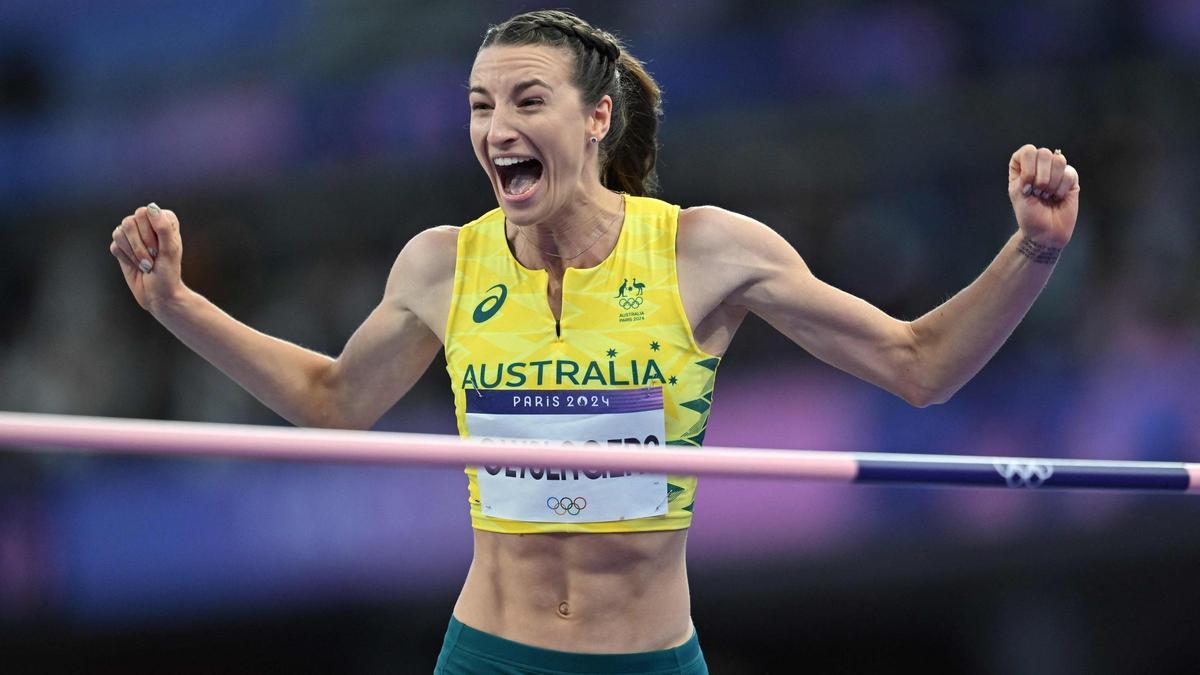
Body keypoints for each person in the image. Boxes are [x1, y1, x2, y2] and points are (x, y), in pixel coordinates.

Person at [107, 9, 1080, 674]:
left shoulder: (705, 252)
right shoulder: (443, 265)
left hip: (647, 659)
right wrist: (178, 305)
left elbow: (921, 366)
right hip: (490, 651)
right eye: (481, 107)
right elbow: (334, 400)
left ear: (597, 117)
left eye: (527, 101)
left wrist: (1032, 254)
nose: (497, 129)